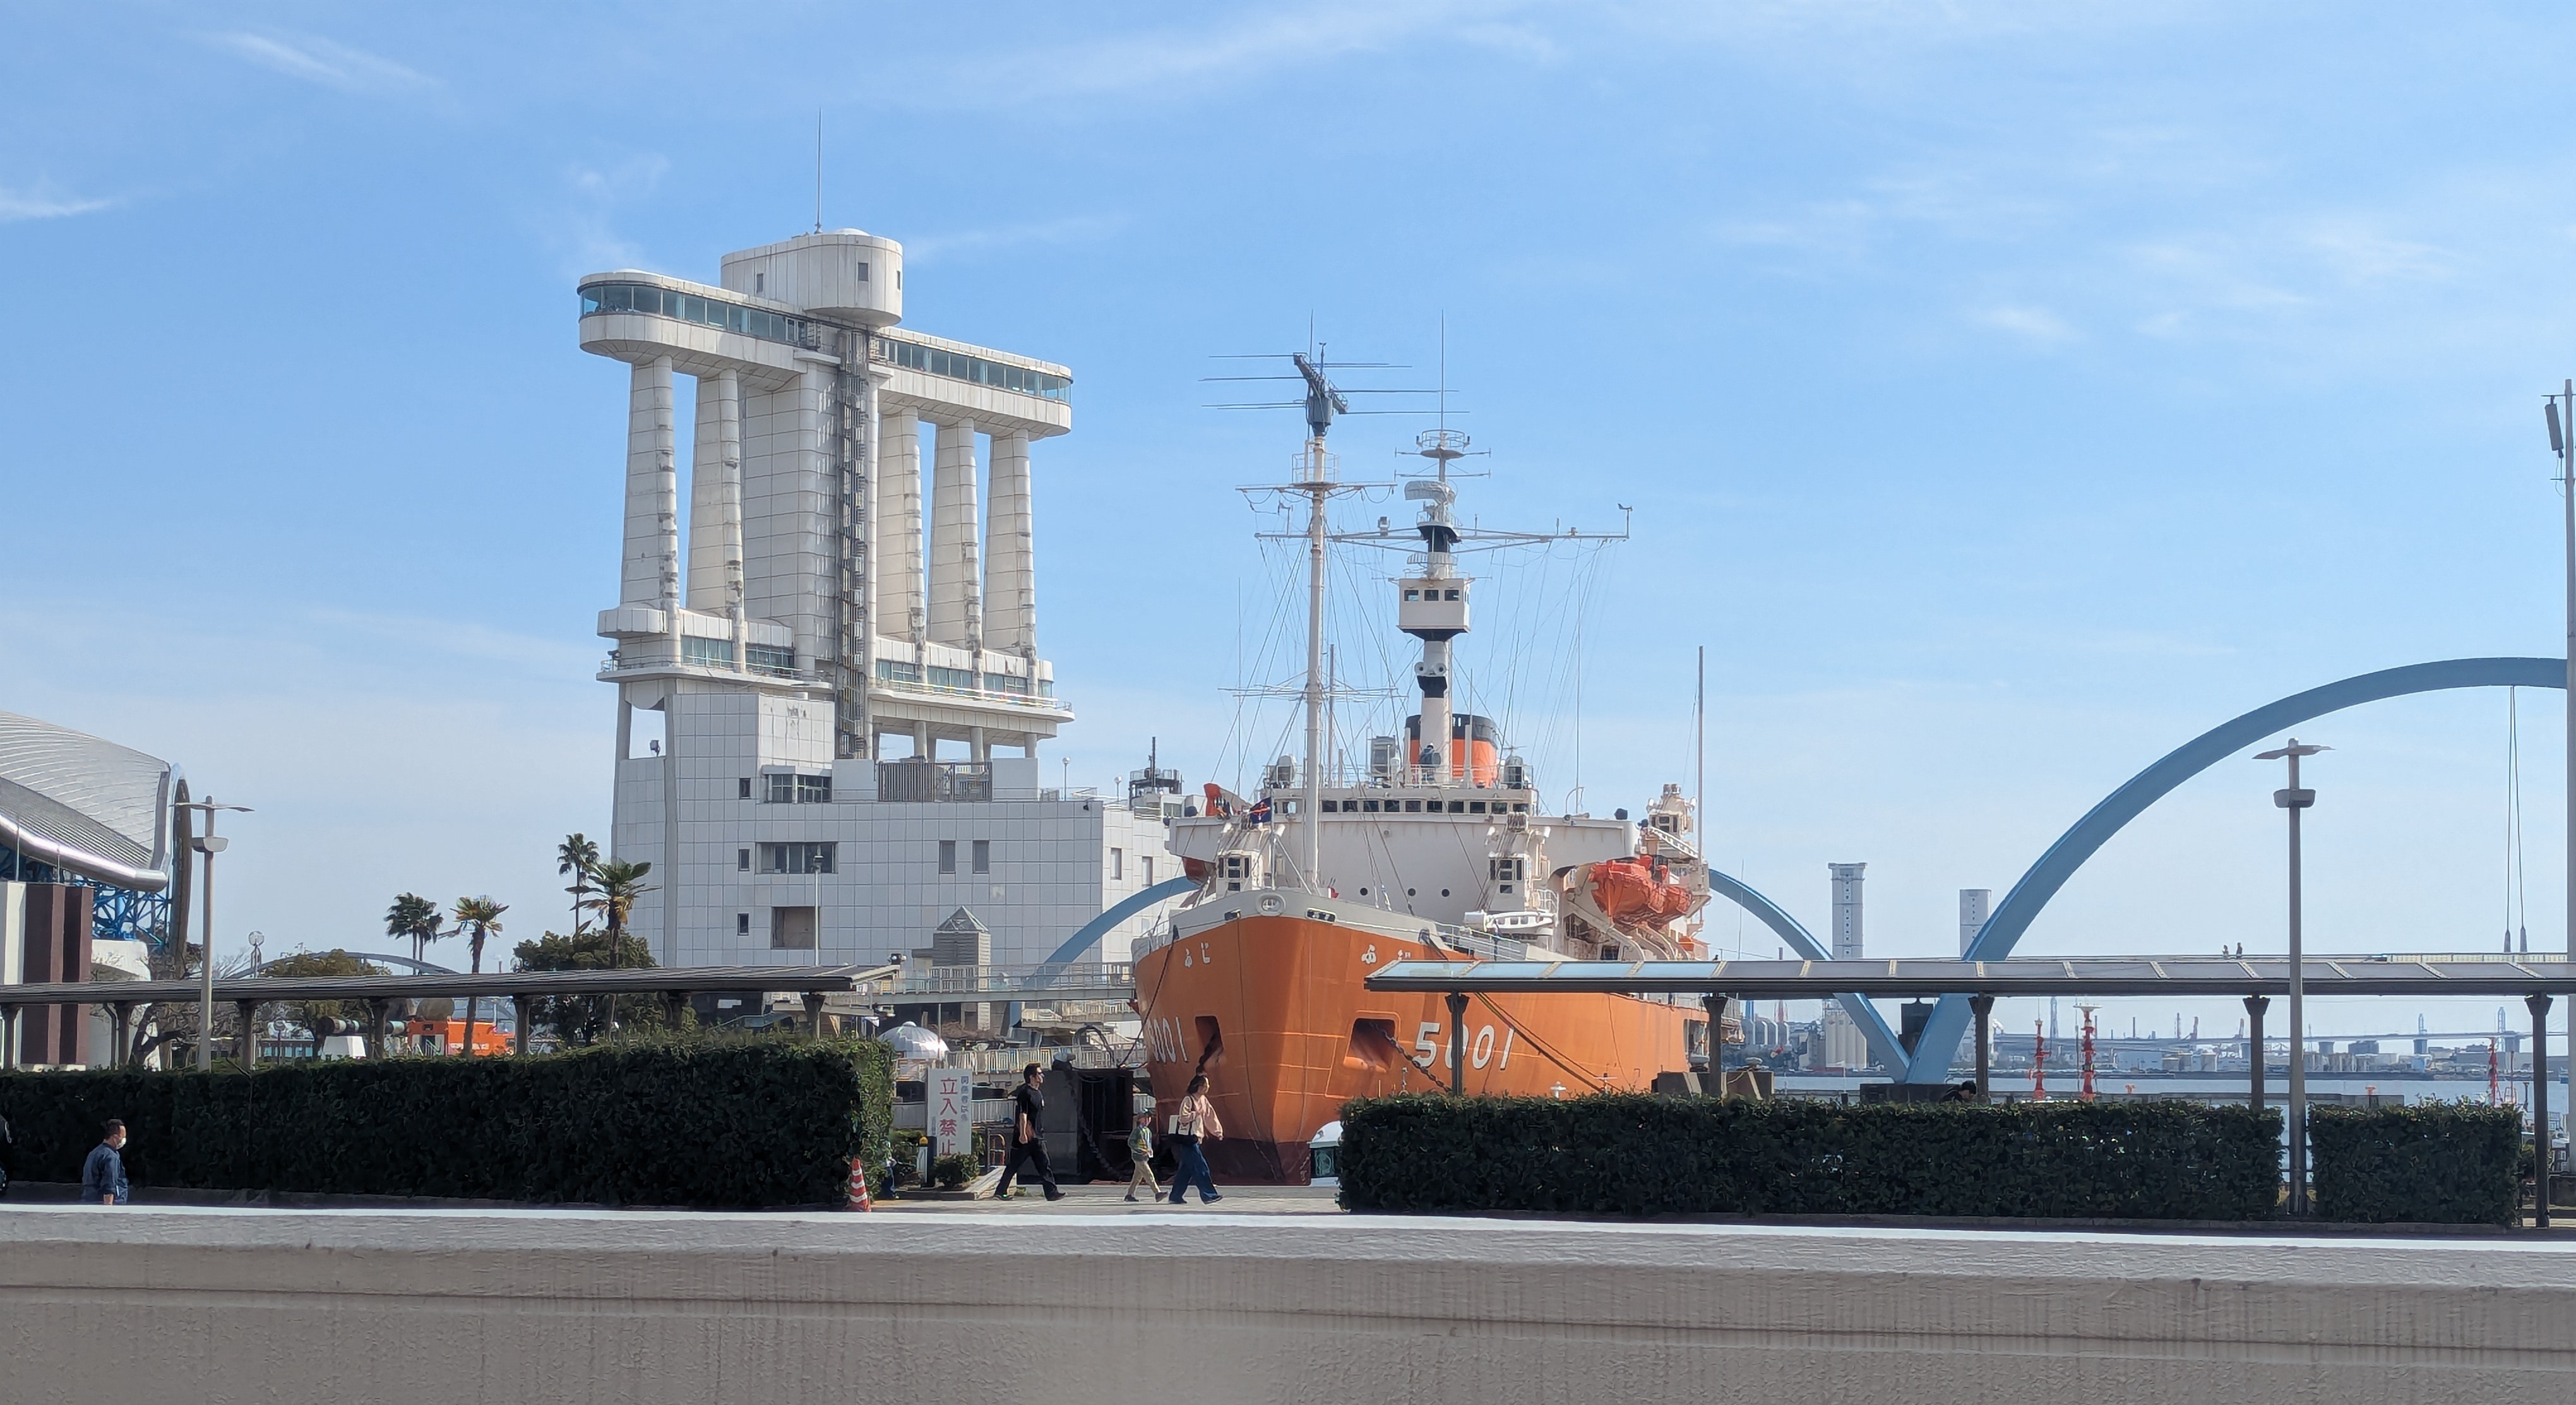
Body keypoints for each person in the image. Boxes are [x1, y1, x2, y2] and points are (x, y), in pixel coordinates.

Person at [995, 1063, 1064, 1201]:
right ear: (1032, 1077)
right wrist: (1023, 1133)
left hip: (1037, 1136)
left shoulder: (1038, 1093)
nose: (1042, 1076)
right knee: (1014, 1165)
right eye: (1039, 1073)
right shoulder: (1025, 1092)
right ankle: (1000, 1192)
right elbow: (1023, 1114)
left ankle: (1051, 1193)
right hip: (1025, 1137)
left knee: (1044, 1164)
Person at [1166, 1073, 1224, 1205]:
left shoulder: (1204, 1100)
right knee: (1201, 1166)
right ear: (1198, 1086)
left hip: (1196, 1138)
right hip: (1188, 1140)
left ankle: (1175, 1196)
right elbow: (1183, 1118)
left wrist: (1217, 1132)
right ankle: (1209, 1195)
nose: (1207, 1087)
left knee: (1185, 1171)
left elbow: (1210, 1116)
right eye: (1205, 1085)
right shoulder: (1188, 1100)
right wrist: (1195, 1114)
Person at [81, 1119, 129, 1207]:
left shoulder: (94, 1153)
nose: (124, 1140)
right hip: (104, 1204)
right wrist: (108, 1207)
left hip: (89, 1201)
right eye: (123, 1136)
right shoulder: (111, 1156)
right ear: (115, 1137)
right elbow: (110, 1181)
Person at [1124, 1108, 1160, 1202]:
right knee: (1149, 1174)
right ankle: (1157, 1193)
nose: (1148, 1120)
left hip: (1145, 1156)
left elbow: (1148, 1143)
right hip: (1138, 1157)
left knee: (1137, 1178)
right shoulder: (1137, 1131)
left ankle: (1129, 1195)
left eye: (1149, 1118)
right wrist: (1140, 1150)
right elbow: (1131, 1142)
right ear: (1140, 1119)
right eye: (1145, 1118)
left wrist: (1149, 1151)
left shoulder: (1148, 1131)